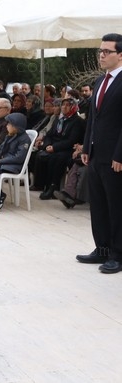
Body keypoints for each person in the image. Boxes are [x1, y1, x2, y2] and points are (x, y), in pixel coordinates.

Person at [77, 33, 122, 274]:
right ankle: (102, 248)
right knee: (99, 205)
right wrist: (86, 147)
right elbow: (93, 119)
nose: (101, 55)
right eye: (100, 51)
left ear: (121, 55)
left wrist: (120, 155)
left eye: (107, 51)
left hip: (115, 157)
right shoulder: (99, 81)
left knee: (116, 207)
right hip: (95, 154)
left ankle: (118, 253)